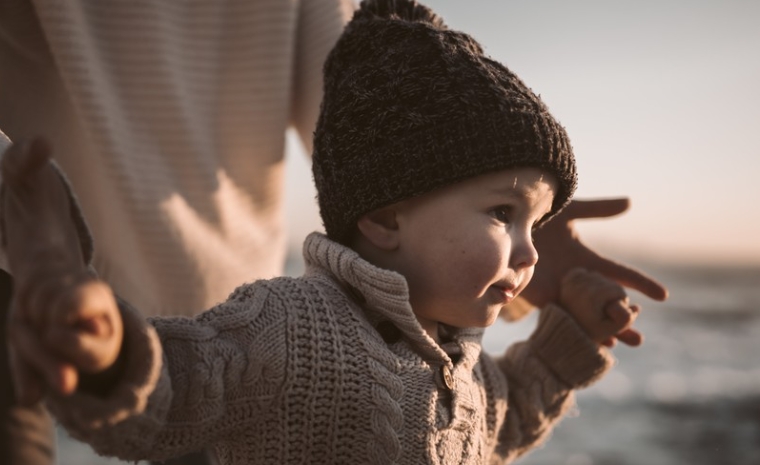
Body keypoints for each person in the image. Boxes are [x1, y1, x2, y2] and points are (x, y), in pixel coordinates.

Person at [1, 1, 666, 463]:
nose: (527, 250)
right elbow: (171, 394)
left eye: (535, 221)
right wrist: (113, 350)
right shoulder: (288, 328)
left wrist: (572, 335)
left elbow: (506, 414)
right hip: (42, 277)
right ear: (381, 216)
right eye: (503, 213)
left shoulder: (455, 360)